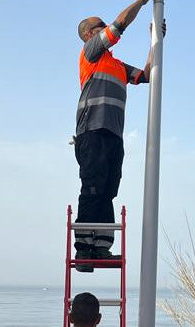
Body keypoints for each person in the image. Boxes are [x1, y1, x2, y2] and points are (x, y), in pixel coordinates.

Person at [73, 0, 165, 272]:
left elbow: (146, 76)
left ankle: (101, 246)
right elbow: (120, 24)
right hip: (92, 131)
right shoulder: (91, 52)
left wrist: (154, 42)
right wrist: (142, 1)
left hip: (113, 134)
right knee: (92, 188)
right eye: (99, 26)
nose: (105, 28)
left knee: (108, 189)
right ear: (90, 34)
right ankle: (84, 250)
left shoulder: (115, 65)